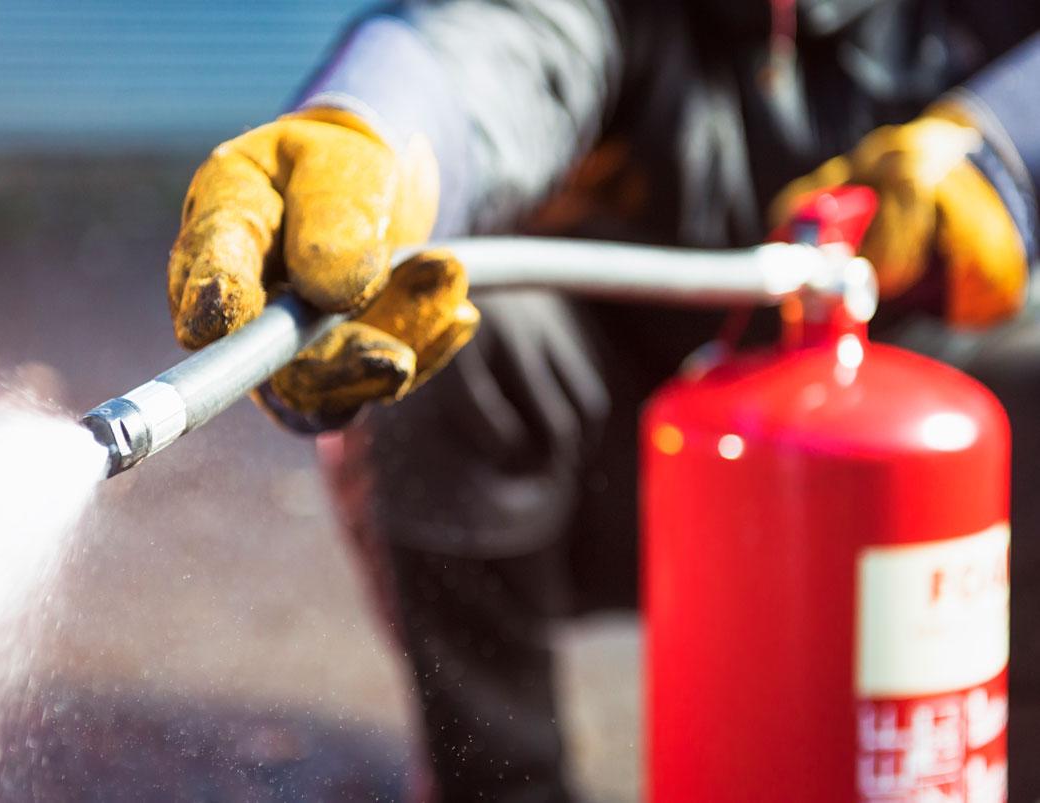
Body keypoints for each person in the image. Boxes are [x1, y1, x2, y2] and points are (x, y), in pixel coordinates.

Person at [166, 2, 1040, 800]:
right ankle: (499, 784)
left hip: (947, 459)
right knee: (444, 350)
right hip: (637, 442)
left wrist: (1008, 149)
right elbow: (489, 42)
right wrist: (367, 132)